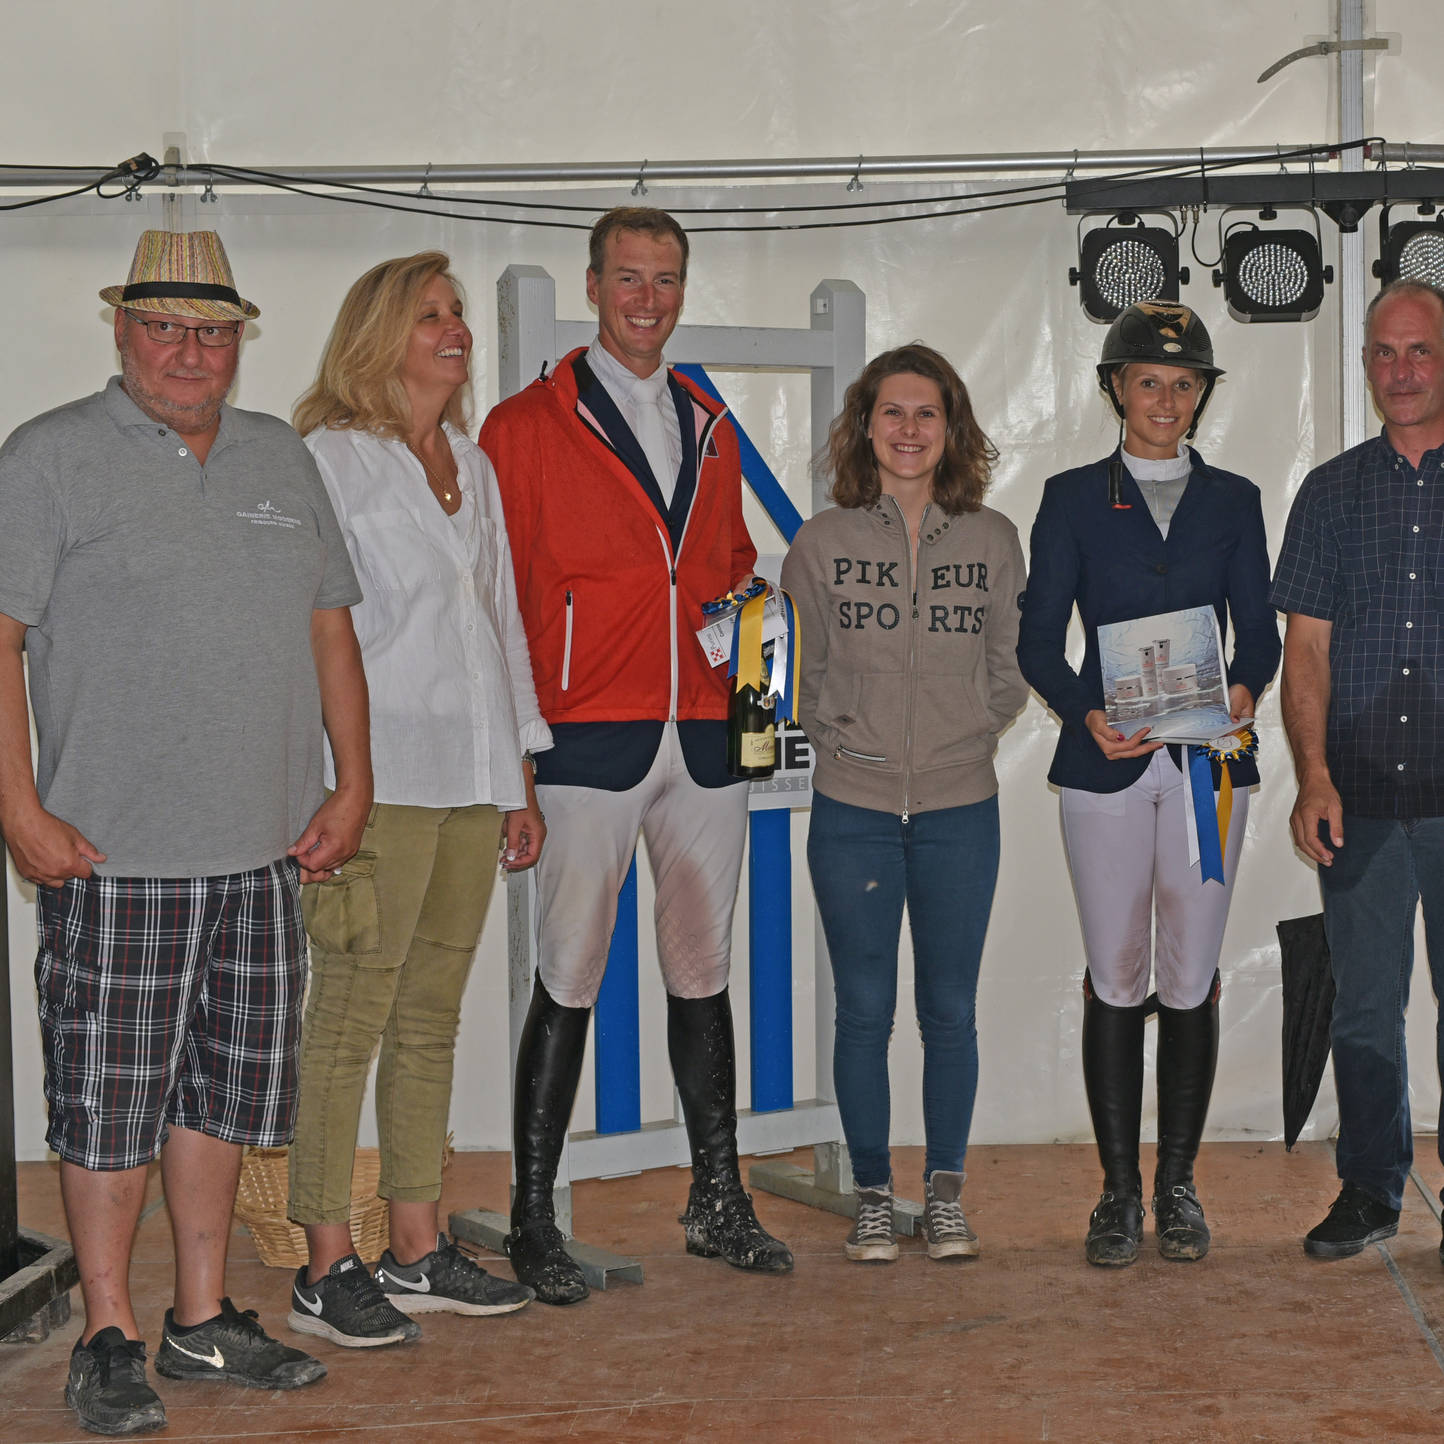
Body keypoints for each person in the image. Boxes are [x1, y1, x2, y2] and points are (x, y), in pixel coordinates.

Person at [0, 230, 370, 1436]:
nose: (190, 352)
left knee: (221, 1095)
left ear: (238, 341)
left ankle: (201, 1317)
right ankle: (106, 1331)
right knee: (109, 1103)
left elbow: (329, 626)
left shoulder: (277, 456)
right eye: (165, 327)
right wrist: (18, 807)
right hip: (115, 855)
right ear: (121, 330)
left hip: (263, 851)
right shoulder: (48, 456)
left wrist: (352, 781)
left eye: (212, 331)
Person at [479, 205, 793, 1304]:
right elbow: (499, 597)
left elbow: (729, 564)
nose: (646, 298)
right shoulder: (522, 425)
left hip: (703, 733)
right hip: (583, 733)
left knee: (702, 970)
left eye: (664, 279)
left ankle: (717, 1198)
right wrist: (517, 752)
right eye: (627, 277)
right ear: (592, 285)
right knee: (568, 970)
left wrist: (751, 674)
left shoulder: (708, 417)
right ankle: (532, 1218)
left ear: (681, 289)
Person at [285, 252, 546, 1347]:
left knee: (431, 1018)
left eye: (457, 313)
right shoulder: (328, 460)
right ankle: (323, 1265)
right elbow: (312, 631)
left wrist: (519, 774)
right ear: (378, 335)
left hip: (470, 777)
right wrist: (340, 782)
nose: (455, 329)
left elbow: (500, 622)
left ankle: (415, 1247)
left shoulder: (471, 463)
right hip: (378, 778)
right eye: (430, 314)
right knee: (350, 1017)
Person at [1017, 302, 1280, 1268]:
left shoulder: (1236, 499)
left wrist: (1242, 690)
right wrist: (1085, 711)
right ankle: (1117, 1192)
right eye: (1148, 381)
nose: (1166, 399)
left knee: (1193, 973)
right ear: (1115, 389)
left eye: (1184, 383)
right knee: (1117, 973)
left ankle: (1179, 1185)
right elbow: (1038, 640)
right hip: (1109, 762)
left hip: (1207, 764)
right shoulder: (1070, 497)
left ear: (1201, 394)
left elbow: (1260, 634)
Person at [781, 343, 1027, 1262]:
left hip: (962, 805)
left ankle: (947, 1193)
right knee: (863, 1008)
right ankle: (875, 1196)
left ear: (952, 428)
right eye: (893, 412)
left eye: (928, 413)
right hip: (854, 807)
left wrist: (969, 729)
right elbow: (799, 670)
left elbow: (1009, 666)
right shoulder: (822, 543)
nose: (910, 429)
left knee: (950, 1009)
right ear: (865, 426)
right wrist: (843, 735)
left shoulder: (993, 539)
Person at [1272, 278, 1444, 1259]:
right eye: (1383, 352)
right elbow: (1306, 651)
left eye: (1418, 350)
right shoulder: (1331, 492)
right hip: (1362, 801)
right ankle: (1370, 1188)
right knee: (1367, 1007)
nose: (1400, 370)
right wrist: (1314, 776)